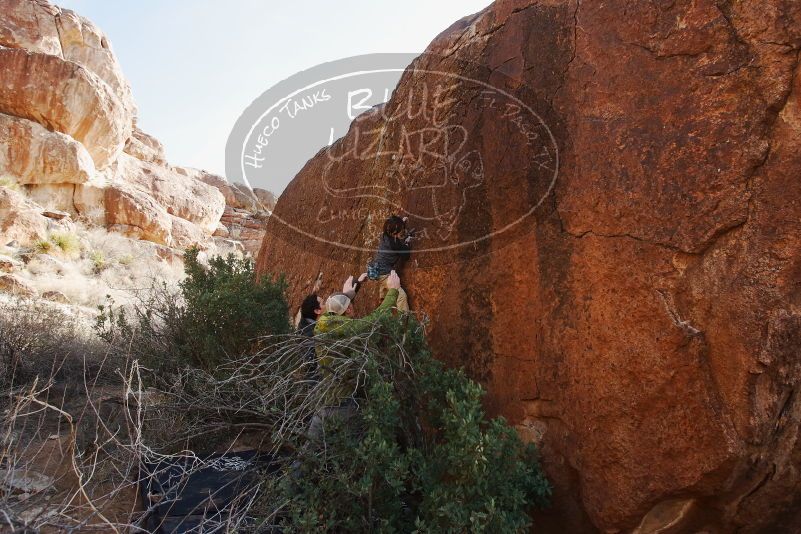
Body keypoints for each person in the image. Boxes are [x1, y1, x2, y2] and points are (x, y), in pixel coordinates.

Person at [306, 271, 403, 440]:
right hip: (342, 403)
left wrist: (350, 292)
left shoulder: (325, 321)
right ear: (349, 309)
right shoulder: (339, 328)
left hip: (327, 400)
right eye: (350, 306)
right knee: (359, 440)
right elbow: (372, 321)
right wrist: (393, 291)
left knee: (309, 455)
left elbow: (338, 307)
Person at [366, 215, 411, 311]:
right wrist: (407, 243)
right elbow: (406, 255)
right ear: (394, 233)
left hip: (376, 269)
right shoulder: (394, 244)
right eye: (401, 231)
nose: (403, 232)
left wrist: (401, 223)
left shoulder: (385, 234)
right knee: (400, 295)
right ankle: (404, 320)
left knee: (383, 285)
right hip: (384, 273)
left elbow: (394, 229)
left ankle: (383, 298)